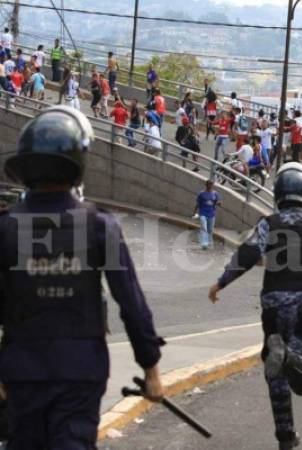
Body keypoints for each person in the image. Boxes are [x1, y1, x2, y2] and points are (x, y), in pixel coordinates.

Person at [0, 106, 164, 448]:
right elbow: (131, 303)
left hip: (20, 372)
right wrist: (150, 369)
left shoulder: (5, 227)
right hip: (80, 372)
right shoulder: (99, 225)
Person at [208, 162, 302, 450]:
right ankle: (295, 359)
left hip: (273, 303)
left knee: (274, 369)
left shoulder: (268, 223)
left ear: (278, 193)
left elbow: (247, 253)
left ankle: (286, 437)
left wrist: (221, 283)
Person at [193, 180, 221, 250]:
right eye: (209, 185)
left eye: (211, 185)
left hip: (211, 214)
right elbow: (197, 203)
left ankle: (208, 241)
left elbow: (219, 202)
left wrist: (217, 203)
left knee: (210, 229)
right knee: (204, 227)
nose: (210, 186)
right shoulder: (201, 194)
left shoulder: (215, 193)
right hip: (203, 213)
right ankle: (204, 243)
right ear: (206, 185)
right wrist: (194, 212)